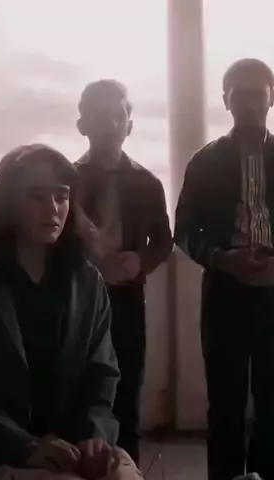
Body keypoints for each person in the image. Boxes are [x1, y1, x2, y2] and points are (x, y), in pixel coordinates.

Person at [0, 144, 142, 480]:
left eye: (62, 196)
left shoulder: (86, 282)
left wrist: (94, 437)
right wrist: (26, 447)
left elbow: (102, 373)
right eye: (36, 196)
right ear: (10, 203)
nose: (53, 208)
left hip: (73, 448)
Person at [174, 58, 274, 480]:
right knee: (225, 400)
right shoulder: (205, 161)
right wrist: (220, 258)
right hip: (224, 292)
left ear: (271, 99)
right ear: (225, 100)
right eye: (240, 94)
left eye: (257, 94)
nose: (249, 103)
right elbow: (184, 230)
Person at [75, 79, 172, 465]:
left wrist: (140, 261)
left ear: (130, 125)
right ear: (82, 124)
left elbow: (163, 241)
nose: (111, 124)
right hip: (78, 301)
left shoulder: (147, 183)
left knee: (127, 389)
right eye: (100, 116)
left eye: (118, 116)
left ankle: (127, 469)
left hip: (128, 300)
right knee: (79, 390)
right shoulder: (66, 180)